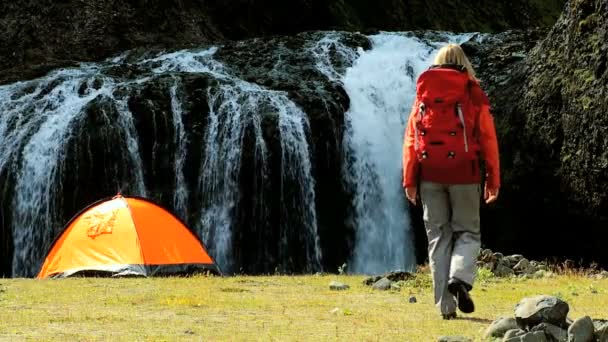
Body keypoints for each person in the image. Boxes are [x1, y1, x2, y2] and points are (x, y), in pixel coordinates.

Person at [402, 43, 500, 319]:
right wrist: (493, 177)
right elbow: (488, 138)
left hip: (429, 175)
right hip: (464, 174)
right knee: (468, 233)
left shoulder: (424, 93)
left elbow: (411, 139)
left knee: (438, 238)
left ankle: (445, 308)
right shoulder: (472, 91)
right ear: (464, 62)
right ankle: (459, 277)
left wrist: (409, 179)